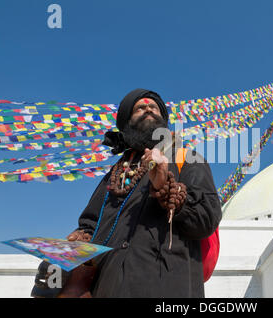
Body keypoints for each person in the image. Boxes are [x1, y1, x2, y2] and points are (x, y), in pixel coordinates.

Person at [62, 88, 222, 297]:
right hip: (106, 288)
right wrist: (81, 238)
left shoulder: (188, 158)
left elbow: (206, 218)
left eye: (153, 107)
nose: (148, 109)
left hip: (166, 288)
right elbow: (90, 224)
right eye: (140, 108)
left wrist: (167, 189)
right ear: (127, 122)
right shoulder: (114, 174)